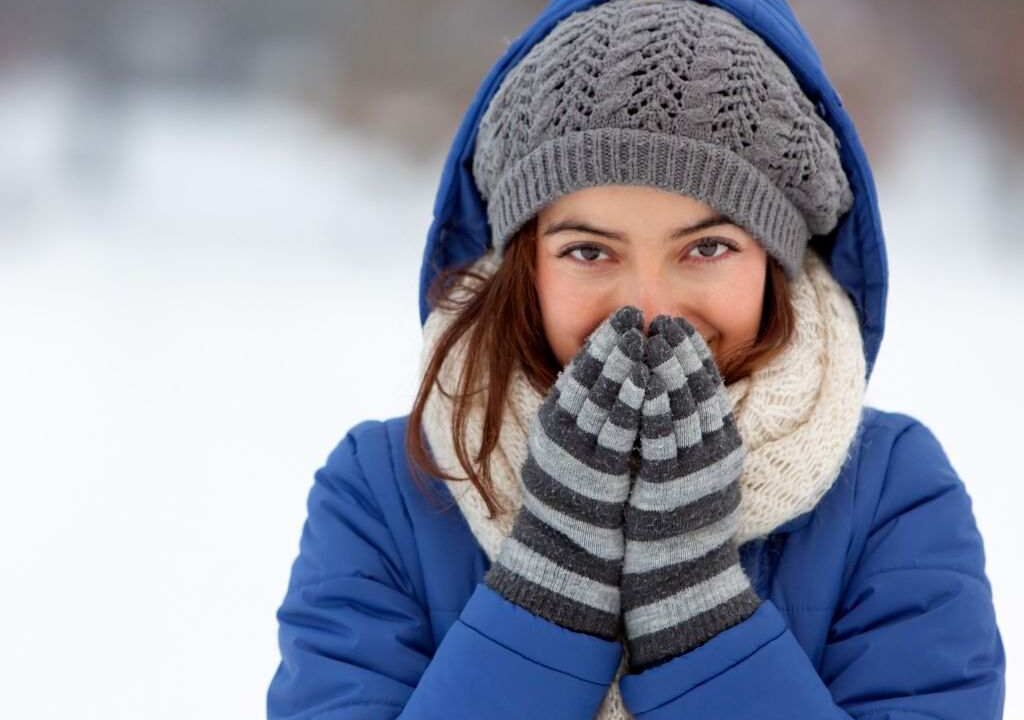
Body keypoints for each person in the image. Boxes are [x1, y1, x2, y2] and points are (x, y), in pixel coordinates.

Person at [267, 1, 1007, 718]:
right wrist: (547, 597)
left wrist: (702, 624)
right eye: (588, 251)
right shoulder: (385, 493)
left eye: (707, 248)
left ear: (777, 262)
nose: (649, 309)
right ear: (524, 265)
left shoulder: (890, 493)